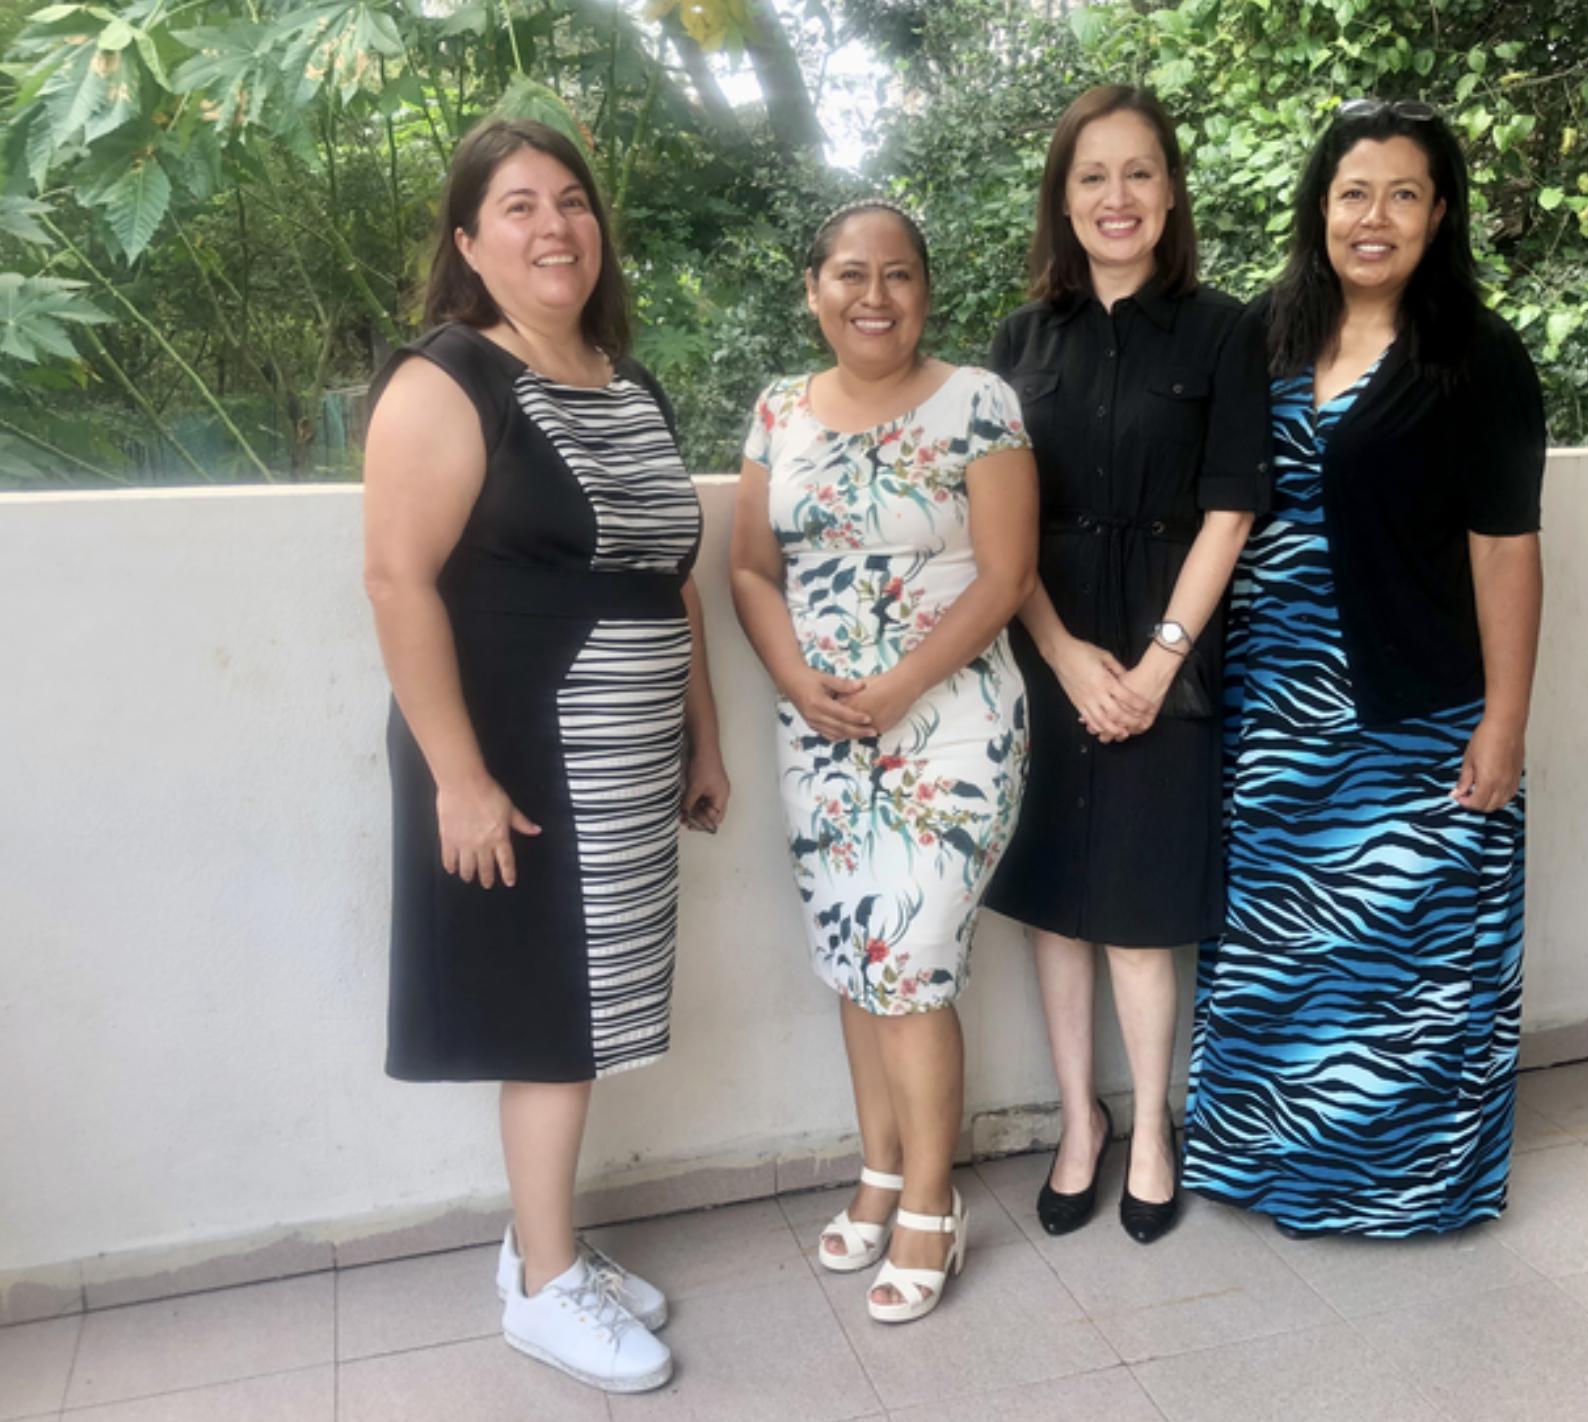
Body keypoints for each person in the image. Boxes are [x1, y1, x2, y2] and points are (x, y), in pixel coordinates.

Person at [361, 117, 730, 1391]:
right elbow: (399, 585)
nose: (553, 226)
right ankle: (546, 1286)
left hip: (625, 758)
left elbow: (672, 582)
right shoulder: (449, 379)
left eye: (571, 200)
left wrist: (703, 734)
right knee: (548, 1018)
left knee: (595, 1005)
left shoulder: (629, 382)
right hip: (516, 750)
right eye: (517, 206)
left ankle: (543, 1251)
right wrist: (459, 777)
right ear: (469, 241)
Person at [1183, 99, 1545, 1237]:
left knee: (1408, 970)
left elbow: (1508, 554)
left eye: (1402, 193)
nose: (1374, 216)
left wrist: (1506, 723)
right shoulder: (1267, 335)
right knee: (1285, 948)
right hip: (1273, 706)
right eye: (1353, 192)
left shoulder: (1479, 358)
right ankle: (1270, 1168)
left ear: (1439, 213)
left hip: (1415, 710)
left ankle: (1401, 1183)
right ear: (1320, 208)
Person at [730, 199, 1037, 1322]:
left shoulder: (980, 405)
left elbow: (1005, 574)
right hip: (821, 729)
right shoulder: (777, 412)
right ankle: (876, 1169)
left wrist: (904, 682)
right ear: (813, 289)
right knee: (855, 959)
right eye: (850, 275)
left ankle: (930, 1206)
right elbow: (752, 570)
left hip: (951, 721)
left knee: (907, 955)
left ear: (926, 291)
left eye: (899, 274)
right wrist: (797, 682)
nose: (874, 295)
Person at [981, 86, 1268, 1244]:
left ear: (1171, 190)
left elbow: (1232, 509)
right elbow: (999, 525)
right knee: (1058, 908)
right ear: (1063, 195)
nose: (1117, 197)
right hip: (1047, 647)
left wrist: (1153, 666)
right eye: (1092, 175)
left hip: (1171, 653)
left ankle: (1153, 1125)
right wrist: (1060, 653)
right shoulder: (1019, 340)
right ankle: (1077, 1122)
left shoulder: (1224, 331)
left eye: (1139, 172)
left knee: (1144, 915)